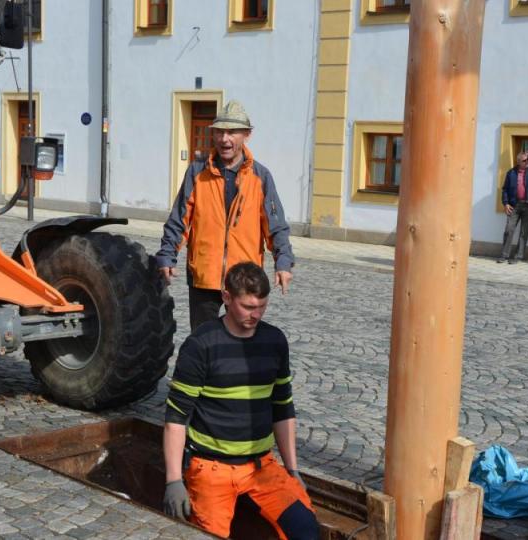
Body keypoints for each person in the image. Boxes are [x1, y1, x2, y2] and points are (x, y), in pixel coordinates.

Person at [162, 262, 319, 539]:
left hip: (262, 468)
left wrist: (293, 469)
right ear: (226, 298)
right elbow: (176, 418)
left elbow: (283, 408)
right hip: (211, 470)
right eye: (248, 307)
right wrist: (174, 479)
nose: (255, 314)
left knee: (305, 528)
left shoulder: (275, 341)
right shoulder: (201, 345)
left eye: (262, 306)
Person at [156, 100, 295, 331]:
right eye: (219, 132)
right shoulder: (197, 172)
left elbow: (276, 226)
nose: (224, 139)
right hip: (204, 276)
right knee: (203, 340)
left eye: (232, 132)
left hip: (245, 279)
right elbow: (179, 219)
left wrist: (283, 262)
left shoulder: (261, 177)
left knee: (243, 341)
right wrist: (167, 254)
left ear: (247, 135)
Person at [498, 150, 528, 264]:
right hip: (514, 205)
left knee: (524, 232)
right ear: (519, 161)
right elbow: (505, 189)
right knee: (509, 230)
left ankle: (518, 256)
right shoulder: (511, 173)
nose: (527, 162)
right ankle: (504, 255)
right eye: (525, 160)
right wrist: (505, 203)